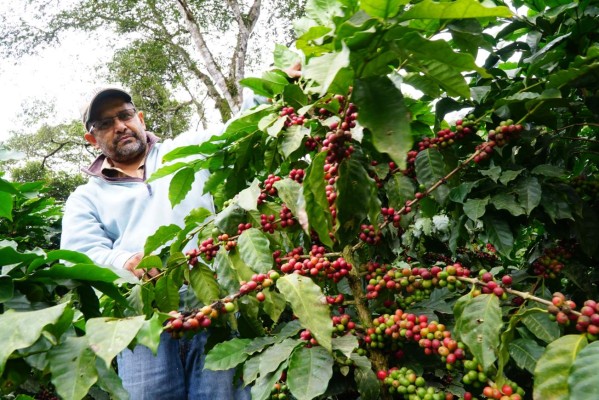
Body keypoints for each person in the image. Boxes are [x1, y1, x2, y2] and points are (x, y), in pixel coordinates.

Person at [61, 87, 254, 399]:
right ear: (92, 140)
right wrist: (123, 262)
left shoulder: (186, 151)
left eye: (124, 115)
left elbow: (238, 127)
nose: (120, 126)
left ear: (140, 118)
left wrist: (275, 85)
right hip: (141, 320)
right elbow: (78, 255)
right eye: (106, 123)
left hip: (214, 305)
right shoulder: (86, 198)